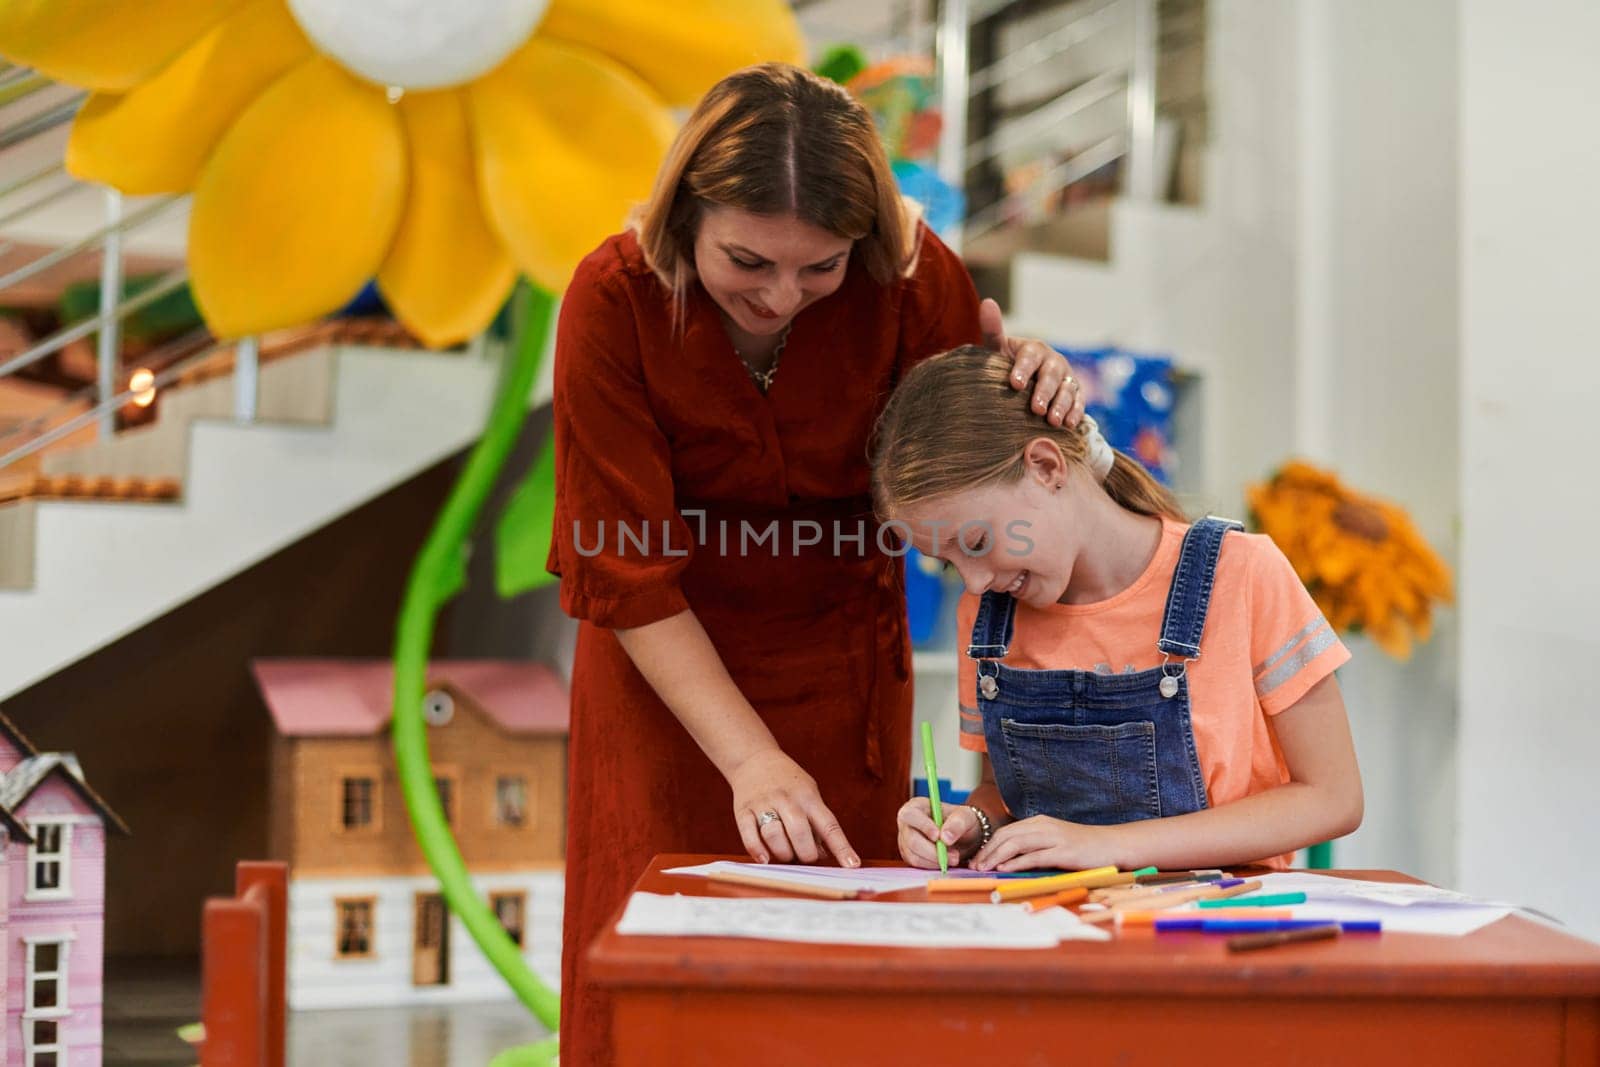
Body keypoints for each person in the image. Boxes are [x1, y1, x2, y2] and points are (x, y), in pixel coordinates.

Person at [548, 65, 1085, 1062]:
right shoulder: (610, 301)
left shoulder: (917, 286)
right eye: (746, 260)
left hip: (844, 682)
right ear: (684, 217)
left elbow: (987, 474)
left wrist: (1039, 394)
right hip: (665, 682)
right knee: (656, 974)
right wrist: (749, 761)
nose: (780, 295)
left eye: (820, 269)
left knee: (839, 985)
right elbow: (622, 568)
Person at [873, 345, 1364, 873]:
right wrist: (974, 825)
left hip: (1214, 930)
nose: (974, 579)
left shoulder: (1243, 573)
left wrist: (1111, 845)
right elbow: (1002, 792)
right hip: (1050, 930)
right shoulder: (987, 616)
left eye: (976, 542)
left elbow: (1333, 797)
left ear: (1045, 466)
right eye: (946, 562)